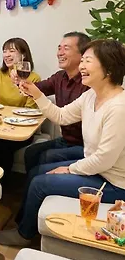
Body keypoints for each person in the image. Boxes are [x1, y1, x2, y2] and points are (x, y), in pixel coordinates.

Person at [0, 39, 125, 247]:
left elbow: (104, 159)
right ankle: (24, 221)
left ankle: (24, 234)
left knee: (40, 183)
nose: (81, 66)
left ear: (108, 69)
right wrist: (36, 93)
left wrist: (70, 169)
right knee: (37, 171)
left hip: (114, 183)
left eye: (88, 61)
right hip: (98, 170)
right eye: (82, 60)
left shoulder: (118, 108)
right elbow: (61, 116)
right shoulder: (91, 96)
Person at [18, 32, 91, 173]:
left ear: (82, 55)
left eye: (66, 48)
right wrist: (20, 83)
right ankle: (31, 182)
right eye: (59, 48)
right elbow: (37, 89)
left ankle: (38, 181)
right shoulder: (60, 77)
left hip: (85, 145)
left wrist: (32, 90)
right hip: (66, 140)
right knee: (31, 152)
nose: (60, 53)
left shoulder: (89, 83)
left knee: (46, 157)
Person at [0, 38, 40, 177]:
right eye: (4, 51)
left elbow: (30, 109)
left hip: (21, 128)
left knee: (3, 146)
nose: (7, 55)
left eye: (11, 51)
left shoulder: (33, 78)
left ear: (23, 55)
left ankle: (2, 183)